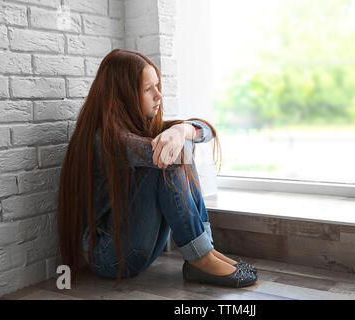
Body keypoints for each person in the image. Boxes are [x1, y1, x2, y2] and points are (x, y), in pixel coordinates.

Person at [57, 49, 257, 289]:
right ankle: (200, 257)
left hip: (137, 247)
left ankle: (205, 251)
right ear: (123, 96)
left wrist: (180, 130)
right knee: (167, 158)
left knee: (172, 147)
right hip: (110, 258)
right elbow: (176, 154)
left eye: (157, 85)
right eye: (147, 89)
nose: (158, 95)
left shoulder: (137, 125)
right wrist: (178, 136)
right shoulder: (107, 139)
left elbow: (206, 131)